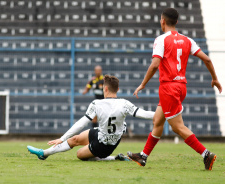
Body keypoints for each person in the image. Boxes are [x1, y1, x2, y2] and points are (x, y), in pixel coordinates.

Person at [127, 8, 222, 171]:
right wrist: (214, 78)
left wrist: (143, 84)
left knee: (177, 127)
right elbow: (206, 59)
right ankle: (143, 156)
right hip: (181, 86)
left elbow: (155, 64)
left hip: (168, 87)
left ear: (162, 21)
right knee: (158, 120)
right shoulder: (188, 40)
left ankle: (206, 154)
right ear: (176, 22)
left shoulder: (161, 40)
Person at [27, 75, 155, 161]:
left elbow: (81, 123)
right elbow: (145, 114)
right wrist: (165, 114)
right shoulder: (125, 103)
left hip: (105, 145)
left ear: (105, 88)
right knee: (74, 140)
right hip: (102, 134)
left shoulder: (96, 103)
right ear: (118, 89)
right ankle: (43, 153)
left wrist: (61, 138)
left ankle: (114, 158)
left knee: (80, 155)